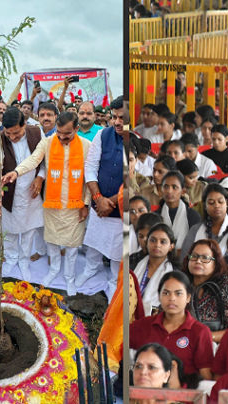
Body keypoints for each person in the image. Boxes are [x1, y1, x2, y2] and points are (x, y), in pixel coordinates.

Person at [1, 112, 91, 295]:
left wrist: (86, 204)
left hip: (75, 203)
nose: (62, 137)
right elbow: (34, 159)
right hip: (52, 201)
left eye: (67, 134)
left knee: (72, 246)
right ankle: (54, 269)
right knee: (51, 240)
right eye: (59, 133)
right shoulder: (48, 142)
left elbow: (90, 177)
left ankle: (69, 277)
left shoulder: (87, 146)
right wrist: (16, 172)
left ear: (76, 129)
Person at [0, 107, 45, 282]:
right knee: (10, 229)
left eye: (16, 133)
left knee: (29, 229)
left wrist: (40, 178)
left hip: (31, 191)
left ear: (25, 125)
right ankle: (12, 257)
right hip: (9, 192)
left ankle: (24, 260)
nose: (12, 137)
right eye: (9, 133)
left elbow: (43, 160)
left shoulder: (37, 132)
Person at [77, 96, 125, 297]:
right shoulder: (103, 135)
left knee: (117, 253)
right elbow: (90, 167)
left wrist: (111, 202)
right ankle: (91, 269)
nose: (117, 122)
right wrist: (98, 198)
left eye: (122, 118)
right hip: (99, 203)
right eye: (114, 117)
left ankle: (114, 280)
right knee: (94, 244)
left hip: (121, 209)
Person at [129, 271, 215, 381]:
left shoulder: (200, 331)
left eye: (178, 293)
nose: (172, 298)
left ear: (188, 297)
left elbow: (206, 376)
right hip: (144, 390)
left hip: (182, 394)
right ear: (159, 296)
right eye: (166, 293)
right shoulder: (142, 326)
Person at [182, 239, 228, 343]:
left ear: (216, 263)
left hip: (216, 347)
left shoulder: (226, 287)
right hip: (182, 343)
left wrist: (206, 337)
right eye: (194, 256)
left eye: (205, 258)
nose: (198, 261)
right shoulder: (181, 283)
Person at [134, 223, 176, 316]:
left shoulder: (175, 273)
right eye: (153, 240)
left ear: (171, 246)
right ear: (147, 242)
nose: (157, 245)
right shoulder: (133, 264)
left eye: (163, 242)